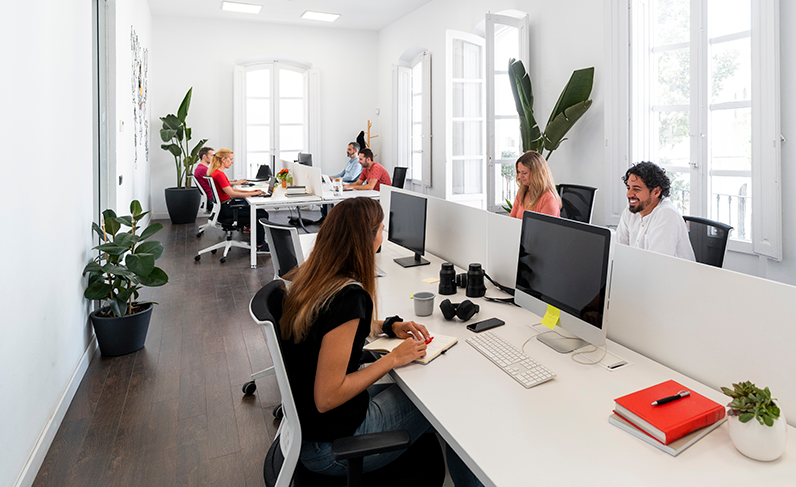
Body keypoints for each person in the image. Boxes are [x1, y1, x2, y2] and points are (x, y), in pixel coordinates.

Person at [280, 198, 481, 485]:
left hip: (312, 429)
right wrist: (394, 358)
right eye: (381, 229)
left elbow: (330, 330)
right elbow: (326, 398)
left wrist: (387, 326)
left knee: (423, 394)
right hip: (330, 448)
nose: (382, 235)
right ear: (367, 239)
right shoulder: (348, 298)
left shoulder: (315, 278)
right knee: (446, 399)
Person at [616, 161, 695, 261]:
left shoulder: (667, 215)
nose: (629, 194)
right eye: (628, 188)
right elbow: (620, 253)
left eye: (636, 189)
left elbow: (655, 264)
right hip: (642, 273)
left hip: (672, 275)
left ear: (656, 192)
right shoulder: (629, 212)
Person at [207, 148, 270, 252]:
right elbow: (231, 193)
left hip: (224, 207)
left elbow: (230, 189)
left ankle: (257, 240)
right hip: (227, 210)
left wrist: (252, 192)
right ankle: (260, 246)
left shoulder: (216, 173)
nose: (232, 162)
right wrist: (252, 193)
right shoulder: (219, 174)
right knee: (261, 214)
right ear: (223, 159)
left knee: (251, 207)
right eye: (231, 159)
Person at [509, 151, 561, 219]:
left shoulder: (549, 199)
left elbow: (544, 228)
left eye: (524, 173)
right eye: (519, 172)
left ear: (536, 174)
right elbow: (512, 220)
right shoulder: (522, 192)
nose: (520, 176)